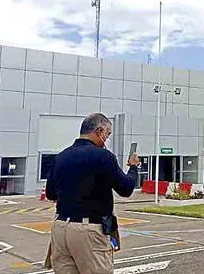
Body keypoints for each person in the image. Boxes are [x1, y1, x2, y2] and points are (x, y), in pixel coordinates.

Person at [46, 113, 139, 274]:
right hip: (89, 230)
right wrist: (133, 168)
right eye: (107, 134)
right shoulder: (104, 157)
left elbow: (51, 194)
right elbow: (125, 189)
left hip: (60, 229)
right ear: (99, 131)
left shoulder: (61, 157)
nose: (107, 138)